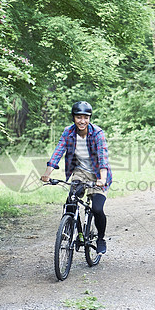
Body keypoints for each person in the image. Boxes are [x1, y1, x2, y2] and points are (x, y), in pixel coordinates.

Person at [41, 101, 112, 254]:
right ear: (73, 118)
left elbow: (103, 158)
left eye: (86, 117)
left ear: (90, 118)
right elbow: (58, 152)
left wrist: (103, 179)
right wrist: (47, 174)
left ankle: (100, 238)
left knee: (97, 208)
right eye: (78, 117)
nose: (82, 121)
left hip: (98, 173)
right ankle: (72, 230)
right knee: (70, 203)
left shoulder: (97, 133)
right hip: (80, 171)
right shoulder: (68, 132)